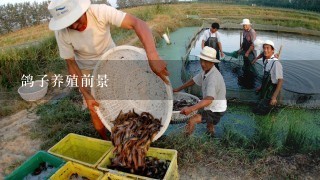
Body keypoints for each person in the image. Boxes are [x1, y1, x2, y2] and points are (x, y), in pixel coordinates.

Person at [48, 0, 169, 140]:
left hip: (112, 60)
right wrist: (85, 92)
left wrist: (153, 55)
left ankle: (132, 134)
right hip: (87, 68)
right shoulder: (61, 33)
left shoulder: (99, 12)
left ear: (82, 11)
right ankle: (106, 140)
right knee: (95, 109)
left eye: (76, 19)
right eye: (69, 24)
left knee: (124, 95)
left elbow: (137, 23)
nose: (74, 25)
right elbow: (71, 64)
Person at [173, 47, 227, 136]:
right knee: (210, 125)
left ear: (212, 62)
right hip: (213, 105)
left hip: (216, 109)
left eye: (206, 61)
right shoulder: (206, 71)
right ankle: (211, 135)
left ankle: (185, 140)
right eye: (201, 60)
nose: (202, 64)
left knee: (192, 120)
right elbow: (193, 80)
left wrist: (191, 108)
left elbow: (209, 99)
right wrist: (178, 89)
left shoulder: (213, 78)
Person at [253, 40, 283, 115]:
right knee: (260, 111)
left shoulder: (276, 63)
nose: (265, 50)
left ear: (272, 50)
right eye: (264, 48)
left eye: (268, 48)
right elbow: (266, 78)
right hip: (265, 89)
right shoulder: (266, 61)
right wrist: (261, 87)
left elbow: (280, 81)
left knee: (268, 112)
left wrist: (274, 97)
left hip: (271, 91)